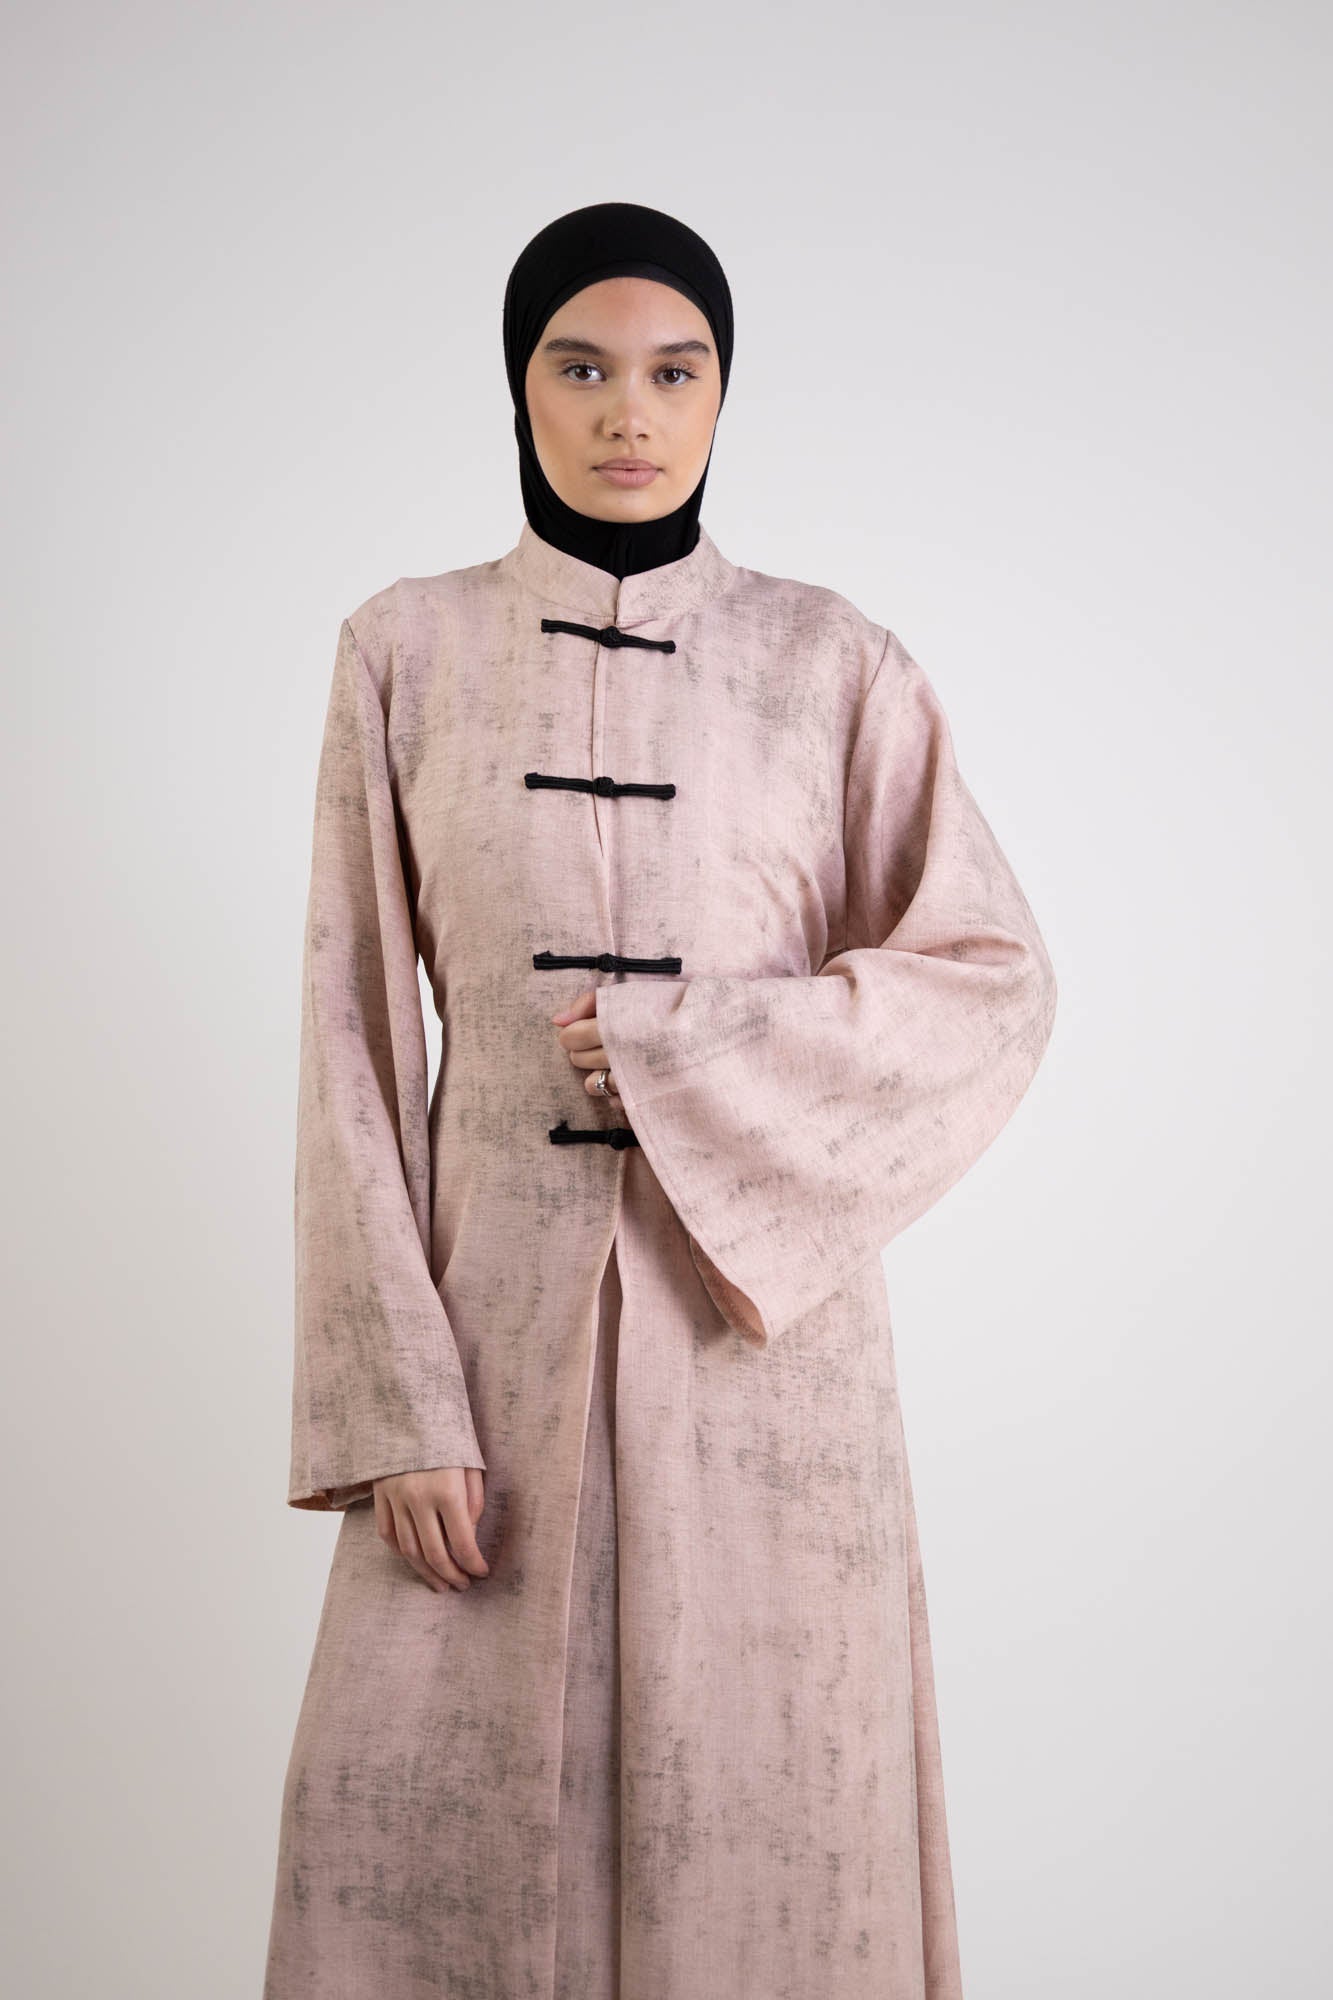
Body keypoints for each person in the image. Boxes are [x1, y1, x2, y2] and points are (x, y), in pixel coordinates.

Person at [262, 200, 1057, 2000]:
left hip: (762, 1371)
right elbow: (347, 1037)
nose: (630, 410)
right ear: (520, 389)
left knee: (774, 1837)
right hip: (481, 1354)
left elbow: (991, 984)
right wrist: (393, 1404)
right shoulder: (404, 652)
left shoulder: (831, 662)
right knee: (420, 1852)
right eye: (582, 367)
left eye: (675, 372)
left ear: (720, 396)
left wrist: (693, 1048)